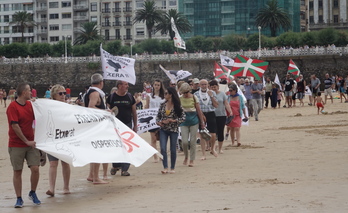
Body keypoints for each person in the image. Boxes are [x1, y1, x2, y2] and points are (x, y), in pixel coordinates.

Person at [6, 83, 41, 208]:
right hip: (16, 144)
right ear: (24, 92)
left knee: (35, 168)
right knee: (17, 171)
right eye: (29, 90)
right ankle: (19, 198)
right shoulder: (12, 107)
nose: (31, 92)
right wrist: (26, 141)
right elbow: (15, 126)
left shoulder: (31, 105)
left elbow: (41, 115)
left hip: (31, 143)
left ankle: (33, 192)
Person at [107, 80, 137, 176]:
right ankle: (116, 165)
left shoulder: (130, 97)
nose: (127, 86)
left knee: (127, 146)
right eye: (126, 84)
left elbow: (134, 112)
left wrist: (135, 125)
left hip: (127, 125)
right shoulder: (111, 97)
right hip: (114, 125)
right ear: (119, 86)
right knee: (115, 146)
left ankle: (125, 169)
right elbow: (107, 111)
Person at [46, 84, 71, 197]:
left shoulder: (69, 106)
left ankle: (66, 187)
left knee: (65, 162)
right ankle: (51, 188)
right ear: (54, 95)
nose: (63, 96)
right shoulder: (48, 106)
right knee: (53, 163)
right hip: (52, 138)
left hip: (65, 137)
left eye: (64, 93)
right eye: (60, 93)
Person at [84, 73, 109, 184]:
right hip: (96, 126)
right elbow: (91, 107)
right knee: (98, 150)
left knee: (94, 150)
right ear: (101, 82)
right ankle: (96, 178)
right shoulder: (95, 93)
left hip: (91, 125)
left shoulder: (89, 92)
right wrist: (105, 111)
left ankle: (91, 175)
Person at [156, 87, 185, 174]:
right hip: (163, 129)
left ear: (170, 95)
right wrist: (159, 122)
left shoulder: (178, 106)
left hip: (173, 129)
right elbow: (157, 117)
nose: (164, 95)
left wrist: (174, 120)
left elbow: (183, 117)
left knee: (173, 149)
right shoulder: (162, 105)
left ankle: (172, 167)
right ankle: (165, 167)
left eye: (166, 94)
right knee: (163, 148)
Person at [179, 83, 205, 167]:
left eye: (187, 92)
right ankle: (186, 156)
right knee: (185, 141)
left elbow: (198, 110)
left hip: (194, 120)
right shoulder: (180, 99)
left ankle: (192, 159)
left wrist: (202, 122)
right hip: (184, 121)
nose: (185, 94)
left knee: (193, 141)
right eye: (184, 93)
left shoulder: (194, 97)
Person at [194, 79, 219, 159]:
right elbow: (195, 106)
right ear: (199, 85)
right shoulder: (196, 94)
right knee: (202, 134)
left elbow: (216, 105)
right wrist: (200, 114)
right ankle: (203, 153)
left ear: (208, 85)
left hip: (210, 113)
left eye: (205, 84)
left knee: (213, 134)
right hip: (201, 114)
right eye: (202, 84)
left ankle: (212, 149)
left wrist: (211, 96)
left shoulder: (212, 93)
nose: (204, 86)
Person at [144, 79, 165, 162]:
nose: (156, 86)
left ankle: (161, 155)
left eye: (158, 85)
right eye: (155, 84)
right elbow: (147, 106)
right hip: (152, 119)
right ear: (153, 85)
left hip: (161, 118)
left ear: (160, 86)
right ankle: (155, 156)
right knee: (153, 139)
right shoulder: (149, 96)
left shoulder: (163, 97)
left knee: (162, 138)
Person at [209, 80, 232, 154]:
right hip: (211, 115)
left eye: (215, 87)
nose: (214, 89)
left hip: (222, 115)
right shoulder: (208, 94)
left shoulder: (222, 94)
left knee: (220, 131)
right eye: (212, 87)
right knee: (213, 132)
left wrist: (230, 111)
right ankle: (213, 147)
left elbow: (226, 103)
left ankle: (220, 148)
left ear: (218, 87)